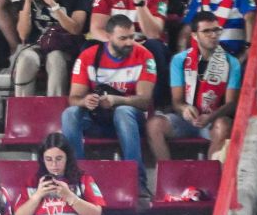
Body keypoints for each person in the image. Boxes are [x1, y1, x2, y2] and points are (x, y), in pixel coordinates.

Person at [61, 14, 155, 170]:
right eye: (123, 38)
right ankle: (75, 176)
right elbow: (73, 98)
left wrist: (117, 100)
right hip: (98, 117)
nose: (129, 43)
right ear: (108, 36)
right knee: (69, 114)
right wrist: (85, 101)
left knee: (124, 112)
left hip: (131, 119)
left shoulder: (145, 56)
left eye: (132, 37)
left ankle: (137, 180)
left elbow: (144, 102)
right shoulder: (88, 56)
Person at [147, 11, 239, 163]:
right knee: (153, 126)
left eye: (216, 30)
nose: (213, 35)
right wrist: (184, 109)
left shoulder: (231, 62)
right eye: (207, 31)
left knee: (224, 125)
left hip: (213, 120)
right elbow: (177, 101)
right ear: (195, 36)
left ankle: (212, 175)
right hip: (185, 120)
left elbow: (231, 104)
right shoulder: (179, 60)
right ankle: (169, 175)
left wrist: (210, 117)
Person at [13, 0, 91, 98]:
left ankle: (54, 109)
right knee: (26, 58)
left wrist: (53, 5)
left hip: (63, 47)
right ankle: (23, 109)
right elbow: (23, 34)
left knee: (55, 58)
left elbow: (76, 29)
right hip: (36, 45)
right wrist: (28, 2)